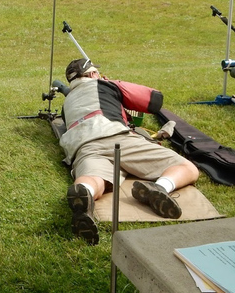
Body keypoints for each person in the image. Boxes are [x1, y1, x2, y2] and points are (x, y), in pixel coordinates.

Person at [56, 58, 200, 245]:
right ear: (92, 74)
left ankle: (86, 193)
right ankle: (160, 188)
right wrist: (114, 83)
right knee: (186, 167)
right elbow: (155, 100)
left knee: (95, 179)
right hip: (115, 136)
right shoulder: (106, 85)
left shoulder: (66, 104)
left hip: (82, 147)